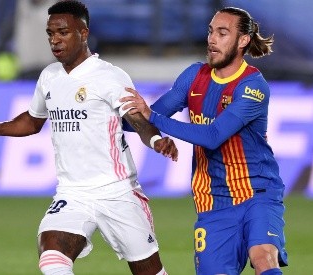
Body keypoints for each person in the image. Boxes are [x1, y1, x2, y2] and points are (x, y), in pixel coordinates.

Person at [0, 1, 177, 275]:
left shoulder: (110, 76)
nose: (54, 40)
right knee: (52, 256)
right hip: (73, 192)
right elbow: (33, 121)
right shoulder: (49, 77)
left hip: (117, 191)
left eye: (63, 32)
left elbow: (137, 120)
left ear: (84, 32)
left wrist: (156, 141)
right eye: (50, 33)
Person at [121, 7, 288, 275]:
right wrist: (107, 116)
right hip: (213, 203)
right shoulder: (193, 76)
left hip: (257, 193)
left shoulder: (253, 86)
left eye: (223, 33)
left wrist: (151, 116)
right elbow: (143, 120)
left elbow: (212, 136)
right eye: (211, 31)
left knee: (263, 256)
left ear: (242, 40)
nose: (212, 39)